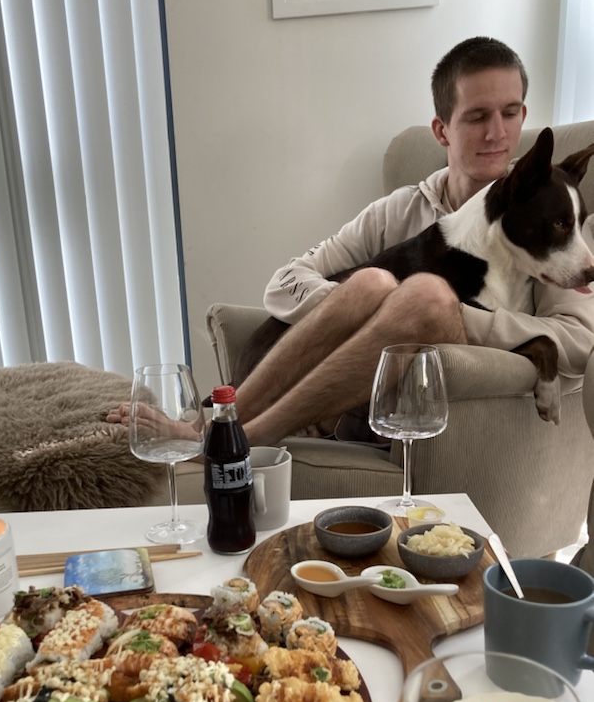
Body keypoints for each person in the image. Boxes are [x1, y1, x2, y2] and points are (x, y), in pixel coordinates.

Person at [233, 36, 594, 447]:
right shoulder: (397, 210)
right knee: (371, 283)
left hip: (439, 412)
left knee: (424, 296)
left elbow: (582, 341)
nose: (496, 133)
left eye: (510, 113)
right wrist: (366, 311)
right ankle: (226, 428)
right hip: (338, 389)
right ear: (442, 130)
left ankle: (244, 433)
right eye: (477, 117)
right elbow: (284, 282)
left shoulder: (544, 217)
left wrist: (448, 315)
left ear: (523, 115)